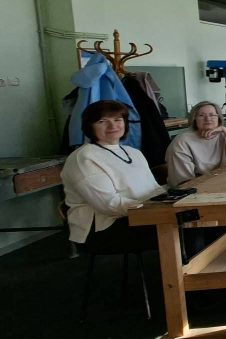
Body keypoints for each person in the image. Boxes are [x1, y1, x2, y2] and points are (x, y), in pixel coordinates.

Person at [61, 100, 164, 251]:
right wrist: (152, 210)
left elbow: (154, 189)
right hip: (103, 228)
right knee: (185, 229)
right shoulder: (84, 157)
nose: (112, 126)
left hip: (139, 215)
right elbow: (109, 205)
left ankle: (178, 272)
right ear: (89, 126)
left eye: (118, 119)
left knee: (194, 222)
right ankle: (174, 273)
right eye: (102, 121)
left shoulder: (134, 153)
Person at [166, 101, 226, 187]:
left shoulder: (222, 135)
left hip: (218, 181)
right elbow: (184, 182)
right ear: (194, 119)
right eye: (201, 115)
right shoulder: (182, 142)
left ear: (218, 118)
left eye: (212, 115)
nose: (208, 119)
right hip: (194, 188)